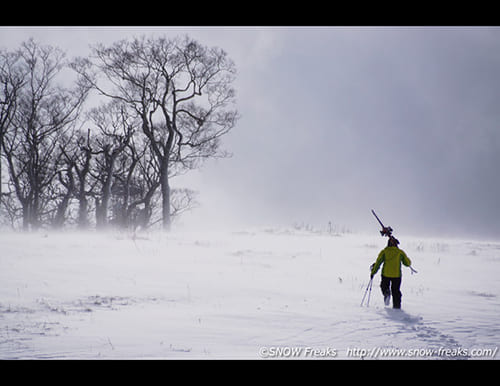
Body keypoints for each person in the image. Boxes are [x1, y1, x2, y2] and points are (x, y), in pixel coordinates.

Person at [370, 236, 412, 309]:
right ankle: (397, 308)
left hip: (386, 274)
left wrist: (373, 272)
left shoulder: (384, 252)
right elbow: (407, 263)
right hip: (397, 275)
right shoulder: (400, 252)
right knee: (396, 291)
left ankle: (386, 294)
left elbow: (378, 263)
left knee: (384, 286)